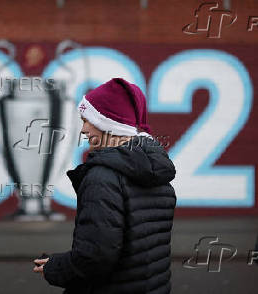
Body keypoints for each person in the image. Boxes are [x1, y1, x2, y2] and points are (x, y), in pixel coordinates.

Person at [33, 77, 177, 294]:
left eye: (86, 120)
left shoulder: (101, 177)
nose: (82, 130)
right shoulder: (157, 171)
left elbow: (95, 257)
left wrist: (56, 268)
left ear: (106, 123)